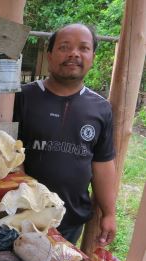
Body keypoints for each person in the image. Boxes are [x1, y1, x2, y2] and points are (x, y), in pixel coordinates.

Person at [13, 24, 117, 246]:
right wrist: (27, 202)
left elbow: (103, 164)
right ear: (49, 55)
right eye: (64, 47)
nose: (74, 54)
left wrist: (109, 213)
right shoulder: (23, 97)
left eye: (83, 48)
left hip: (70, 220)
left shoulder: (101, 108)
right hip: (22, 216)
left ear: (93, 57)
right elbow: (12, 154)